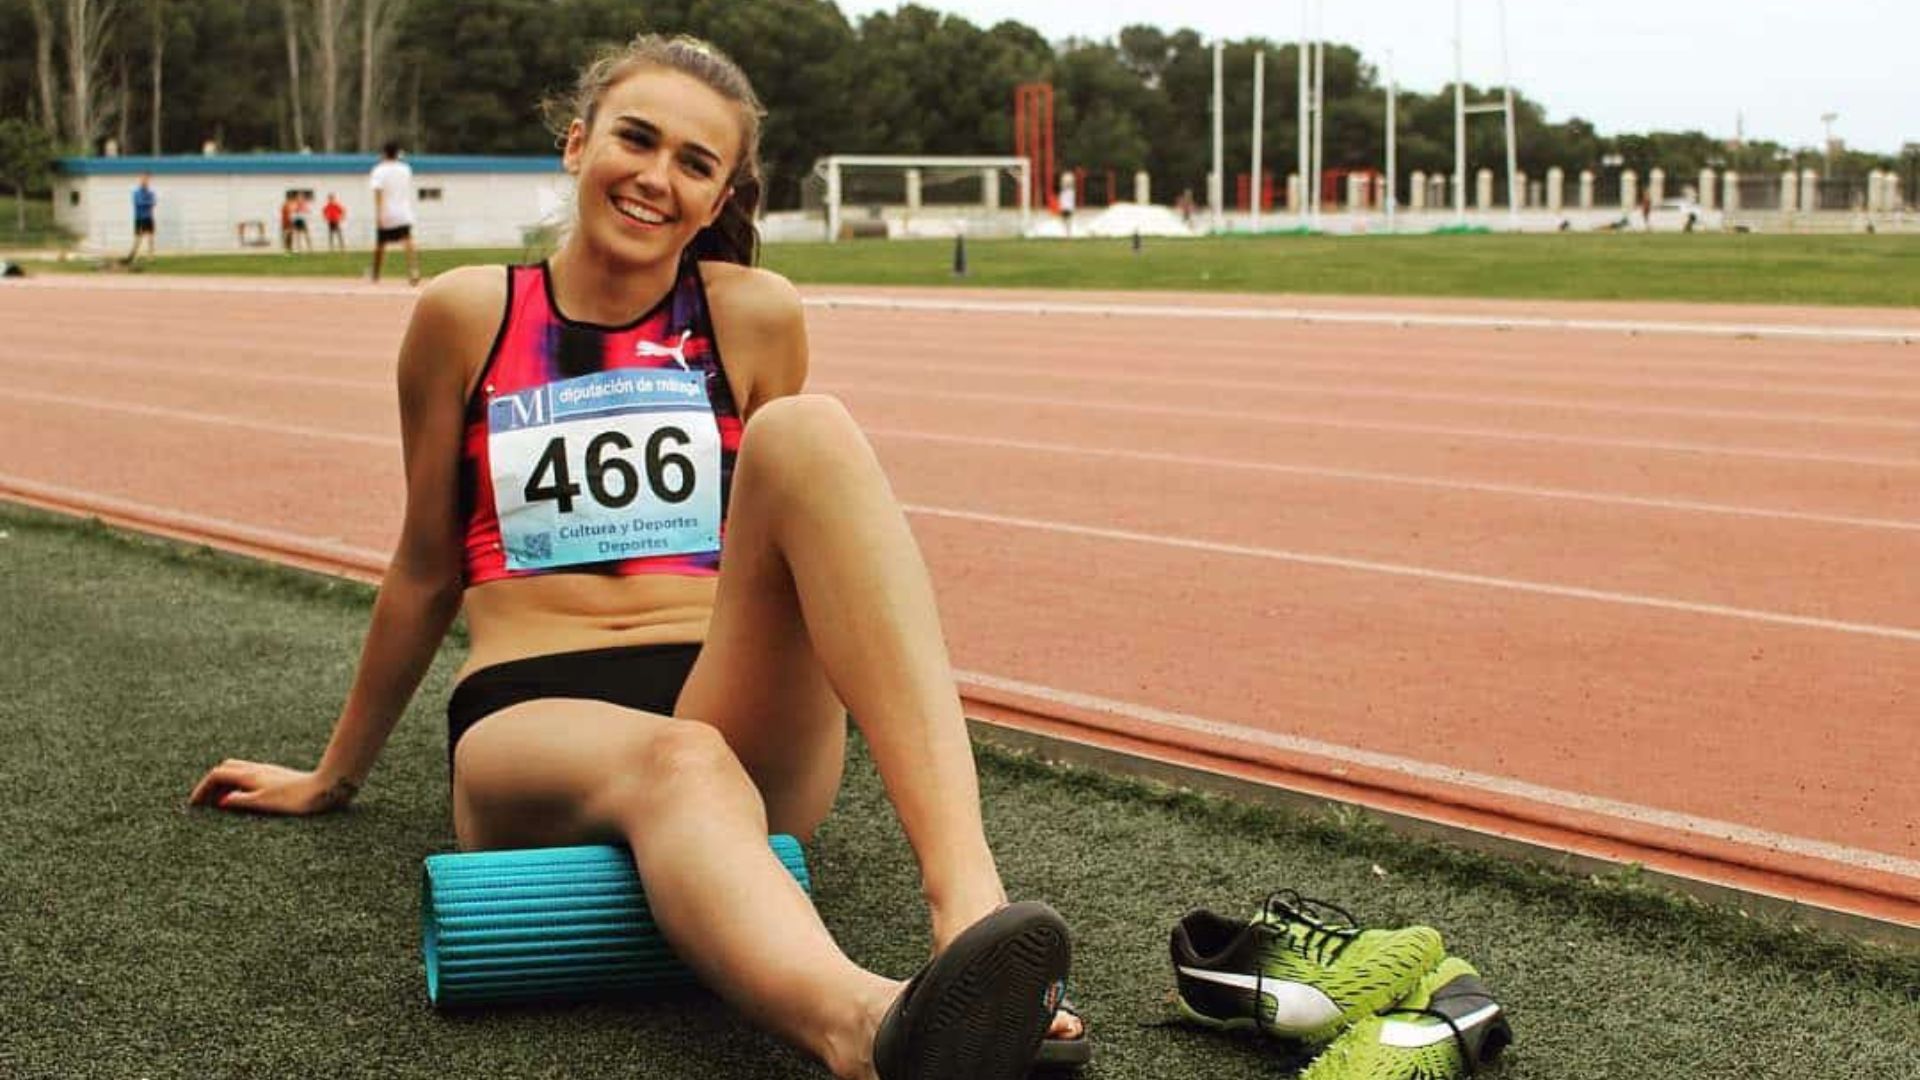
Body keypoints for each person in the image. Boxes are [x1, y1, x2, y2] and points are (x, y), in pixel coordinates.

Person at [187, 33, 1083, 1080]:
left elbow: (795, 543)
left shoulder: (754, 316)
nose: (657, 177)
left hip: (724, 684)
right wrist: (333, 776)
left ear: (720, 199)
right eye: (637, 140)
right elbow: (427, 567)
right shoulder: (466, 314)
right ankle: (872, 1028)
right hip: (532, 713)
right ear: (578, 144)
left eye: (695, 164)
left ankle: (967, 902)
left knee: (812, 433)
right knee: (679, 762)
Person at [368, 141, 421, 284]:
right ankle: (413, 270)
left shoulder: (378, 170)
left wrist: (378, 214)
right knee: (408, 241)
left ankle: (375, 274)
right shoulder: (405, 169)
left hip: (387, 212)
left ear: (384, 153)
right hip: (403, 211)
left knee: (380, 244)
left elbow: (378, 192)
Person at [125, 174, 157, 264]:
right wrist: (148, 202)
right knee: (138, 238)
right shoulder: (136, 192)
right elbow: (139, 203)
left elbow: (153, 202)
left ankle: (151, 257)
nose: (145, 181)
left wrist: (148, 203)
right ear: (140, 181)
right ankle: (132, 256)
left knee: (150, 238)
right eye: (143, 180)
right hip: (139, 218)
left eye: (146, 180)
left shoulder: (150, 192)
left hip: (149, 217)